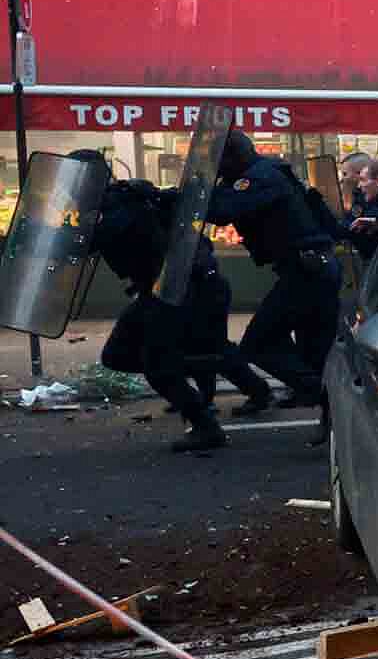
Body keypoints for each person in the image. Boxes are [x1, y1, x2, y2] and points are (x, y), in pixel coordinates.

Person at [79, 151, 273, 451]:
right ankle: (216, 382)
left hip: (182, 291)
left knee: (160, 364)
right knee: (120, 355)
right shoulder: (123, 197)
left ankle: (206, 424)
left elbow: (96, 239)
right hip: (167, 290)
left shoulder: (122, 205)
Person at [207, 129, 341, 412]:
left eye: (218, 160)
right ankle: (321, 403)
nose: (216, 168)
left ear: (233, 157)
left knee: (258, 344)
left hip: (308, 272)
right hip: (313, 268)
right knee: (313, 352)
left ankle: (320, 394)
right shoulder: (266, 171)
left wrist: (196, 190)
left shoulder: (259, 178)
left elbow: (221, 211)